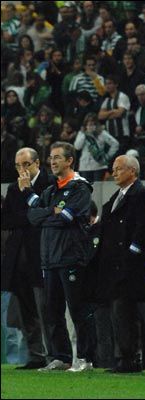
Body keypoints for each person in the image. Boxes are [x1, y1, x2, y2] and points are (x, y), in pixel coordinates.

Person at [21, 141, 96, 372]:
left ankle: (85, 358)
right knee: (52, 311)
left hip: (71, 256)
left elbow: (66, 218)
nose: (52, 162)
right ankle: (61, 357)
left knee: (78, 309)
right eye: (51, 158)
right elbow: (32, 217)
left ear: (70, 161)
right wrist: (46, 209)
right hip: (50, 258)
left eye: (57, 158)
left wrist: (47, 215)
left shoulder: (80, 188)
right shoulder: (51, 190)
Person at [93, 155, 145, 373]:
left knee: (126, 312)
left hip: (129, 265)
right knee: (118, 313)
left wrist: (134, 251)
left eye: (119, 169)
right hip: (113, 266)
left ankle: (130, 358)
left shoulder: (141, 194)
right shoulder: (115, 197)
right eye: (113, 169)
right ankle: (122, 357)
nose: (114, 173)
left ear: (132, 171)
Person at [1, 148, 51, 369]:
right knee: (26, 310)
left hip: (41, 255)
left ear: (37, 163)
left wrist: (27, 195)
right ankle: (35, 354)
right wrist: (30, 217)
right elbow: (6, 221)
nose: (21, 169)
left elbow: (46, 214)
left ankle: (55, 355)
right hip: (18, 258)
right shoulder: (13, 188)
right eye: (18, 165)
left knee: (46, 308)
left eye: (25, 164)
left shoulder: (50, 184)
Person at [74, 113, 119, 182]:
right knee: (86, 187)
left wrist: (108, 156)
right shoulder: (82, 133)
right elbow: (77, 147)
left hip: (99, 166)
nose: (90, 125)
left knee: (98, 187)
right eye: (88, 123)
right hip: (84, 167)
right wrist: (85, 134)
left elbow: (115, 144)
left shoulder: (102, 133)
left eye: (92, 123)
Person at [97, 75, 131, 153]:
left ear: (116, 84)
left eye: (110, 83)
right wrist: (112, 111)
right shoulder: (107, 100)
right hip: (110, 135)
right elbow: (100, 116)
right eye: (106, 84)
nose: (107, 86)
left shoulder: (122, 96)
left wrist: (106, 115)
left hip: (122, 135)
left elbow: (119, 113)